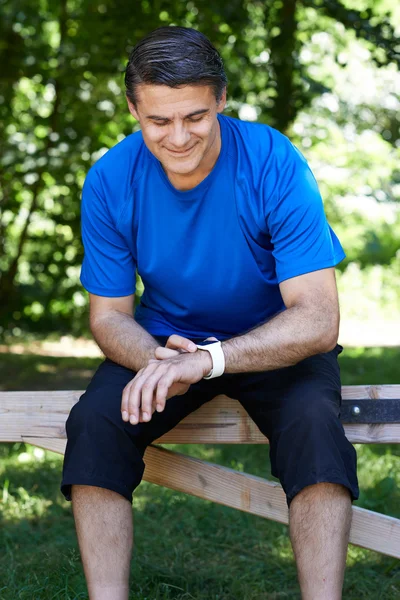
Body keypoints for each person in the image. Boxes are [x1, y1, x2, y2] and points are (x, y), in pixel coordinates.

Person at [61, 25, 359, 600]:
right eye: (158, 120)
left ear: (221, 100)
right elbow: (108, 318)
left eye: (195, 116)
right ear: (132, 108)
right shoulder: (108, 180)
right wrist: (160, 362)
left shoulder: (274, 161)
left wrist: (209, 361)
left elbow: (318, 319)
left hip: (275, 343)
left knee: (315, 427)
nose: (177, 137)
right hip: (166, 345)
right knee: (95, 422)